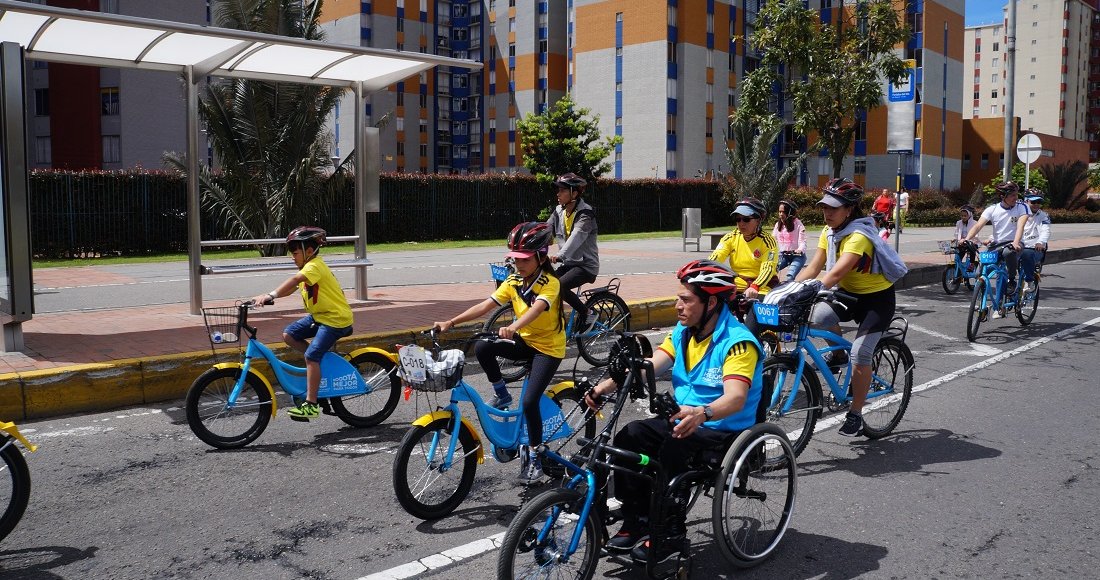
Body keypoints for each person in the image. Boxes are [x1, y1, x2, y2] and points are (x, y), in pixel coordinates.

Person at [584, 259, 764, 560]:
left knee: (672, 451)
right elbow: (649, 367)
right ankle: (637, 520)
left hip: (721, 428)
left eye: (686, 300)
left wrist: (702, 413)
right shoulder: (682, 332)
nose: (678, 305)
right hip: (684, 419)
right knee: (630, 436)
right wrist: (602, 388)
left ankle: (669, 535)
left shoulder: (738, 343)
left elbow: (735, 398)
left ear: (711, 303)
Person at [433, 222, 565, 483]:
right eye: (515, 259)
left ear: (540, 256)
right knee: (483, 345)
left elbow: (537, 308)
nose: (519, 264)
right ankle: (502, 394)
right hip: (526, 343)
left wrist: (514, 326)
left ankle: (536, 459)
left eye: (524, 259)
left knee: (528, 402)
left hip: (548, 350)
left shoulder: (550, 283)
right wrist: (451, 322)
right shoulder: (514, 280)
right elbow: (486, 304)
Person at [795, 178, 908, 437]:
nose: (827, 213)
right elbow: (813, 268)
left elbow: (833, 275)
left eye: (834, 208)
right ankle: (837, 355)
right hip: (848, 295)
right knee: (816, 317)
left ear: (850, 210)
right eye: (825, 207)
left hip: (876, 301)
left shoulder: (858, 236)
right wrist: (786, 288)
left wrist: (807, 290)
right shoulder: (828, 232)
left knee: (860, 354)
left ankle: (856, 412)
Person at [252, 226, 353, 421]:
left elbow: (295, 279)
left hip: (335, 319)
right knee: (289, 335)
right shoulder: (307, 268)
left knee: (312, 356)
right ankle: (317, 364)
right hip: (320, 317)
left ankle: (311, 405)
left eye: (295, 252)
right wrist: (266, 297)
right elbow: (291, 288)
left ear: (309, 251)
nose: (292, 257)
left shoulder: (314, 266)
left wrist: (271, 294)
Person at [965, 181, 1030, 316]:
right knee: (981, 271)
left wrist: (1016, 242)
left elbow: (1020, 226)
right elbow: (977, 226)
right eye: (1012, 195)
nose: (1015, 197)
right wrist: (967, 239)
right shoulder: (992, 209)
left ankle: (1012, 280)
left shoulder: (1021, 207)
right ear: (1002, 196)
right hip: (996, 245)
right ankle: (983, 302)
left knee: (1008, 253)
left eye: (1016, 194)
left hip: (1014, 244)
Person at [545, 172, 599, 331]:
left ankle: (588, 313)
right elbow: (545, 230)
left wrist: (559, 255)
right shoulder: (558, 212)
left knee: (559, 286)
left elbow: (576, 237)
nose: (558, 193)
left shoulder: (585, 214)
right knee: (546, 284)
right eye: (558, 190)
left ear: (574, 193)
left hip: (585, 266)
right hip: (569, 264)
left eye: (562, 190)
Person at [709, 198, 780, 302]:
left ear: (758, 220)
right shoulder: (730, 238)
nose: (741, 223)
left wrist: (755, 286)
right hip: (738, 283)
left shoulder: (768, 242)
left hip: (762, 287)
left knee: (754, 315)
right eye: (738, 219)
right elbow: (717, 256)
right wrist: (705, 269)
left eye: (746, 219)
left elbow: (768, 268)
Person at [1019, 190, 1051, 294]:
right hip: (1017, 246)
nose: (1036, 204)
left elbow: (1046, 230)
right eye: (1033, 202)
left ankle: (1029, 280)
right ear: (1026, 201)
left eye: (1039, 202)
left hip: (1035, 248)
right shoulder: (1018, 213)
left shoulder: (1043, 216)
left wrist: (1041, 242)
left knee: (1027, 254)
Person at [772, 199, 807, 283]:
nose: (780, 214)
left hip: (797, 256)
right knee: (771, 270)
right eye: (779, 212)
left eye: (783, 212)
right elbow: (772, 240)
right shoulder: (778, 225)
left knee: (790, 276)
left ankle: (789, 291)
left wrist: (799, 250)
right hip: (783, 255)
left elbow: (803, 241)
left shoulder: (798, 224)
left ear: (790, 212)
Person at [954, 205, 979, 271]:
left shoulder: (974, 223)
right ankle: (958, 272)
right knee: (958, 257)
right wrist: (956, 239)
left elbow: (976, 235)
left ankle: (972, 264)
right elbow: (956, 233)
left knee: (972, 248)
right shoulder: (958, 223)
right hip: (961, 243)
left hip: (971, 242)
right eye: (962, 216)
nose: (963, 217)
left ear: (969, 216)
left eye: (965, 216)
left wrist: (967, 240)